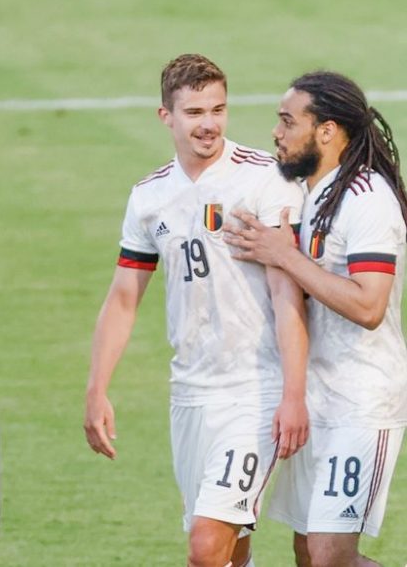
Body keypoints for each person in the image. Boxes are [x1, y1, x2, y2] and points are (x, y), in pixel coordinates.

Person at [83, 54, 310, 567]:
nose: (208, 123)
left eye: (218, 109)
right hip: (190, 394)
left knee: (206, 547)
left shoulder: (263, 181)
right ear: (166, 117)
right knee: (231, 547)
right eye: (193, 112)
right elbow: (124, 296)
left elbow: (286, 292)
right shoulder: (149, 197)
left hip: (256, 389)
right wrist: (97, 388)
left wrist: (294, 393)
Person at [224, 71, 407, 567]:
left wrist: (283, 256)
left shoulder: (368, 200)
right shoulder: (317, 193)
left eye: (287, 122)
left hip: (362, 403)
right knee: (307, 549)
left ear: (326, 130)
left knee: (330, 554)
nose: (276, 133)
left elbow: (369, 306)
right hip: (317, 398)